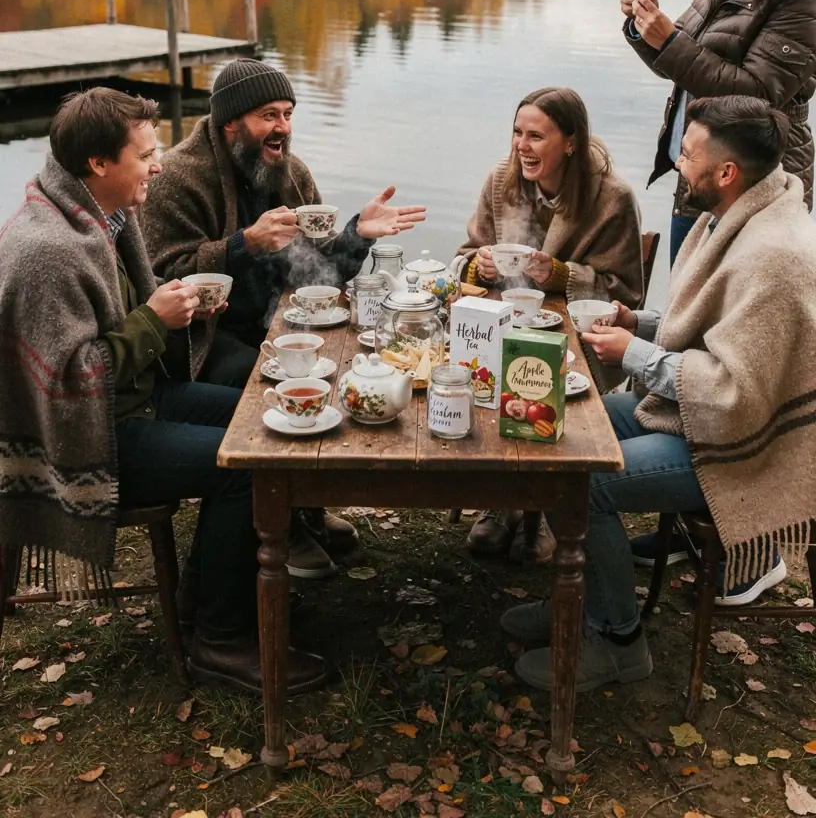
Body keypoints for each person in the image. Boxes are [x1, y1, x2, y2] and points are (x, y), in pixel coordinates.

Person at [0, 88, 327, 696]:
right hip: (86, 438)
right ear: (100, 163)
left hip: (132, 402)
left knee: (266, 414)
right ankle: (221, 641)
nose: (158, 165)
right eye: (146, 154)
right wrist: (155, 319)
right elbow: (71, 383)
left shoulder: (97, 220)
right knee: (247, 466)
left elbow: (126, 328)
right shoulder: (49, 251)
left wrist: (187, 314)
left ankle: (205, 595)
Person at [502, 96, 816, 691]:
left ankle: (617, 640)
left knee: (580, 480)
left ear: (726, 171)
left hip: (746, 447)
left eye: (688, 153)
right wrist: (636, 321)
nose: (677, 164)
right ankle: (581, 598)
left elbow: (734, 395)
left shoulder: (774, 256)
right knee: (558, 423)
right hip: (695, 414)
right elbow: (702, 324)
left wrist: (635, 355)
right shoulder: (731, 213)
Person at [140, 56, 426, 579]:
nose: (283, 129)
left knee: (332, 367)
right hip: (203, 338)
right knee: (275, 381)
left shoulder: (290, 174)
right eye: (268, 116)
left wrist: (358, 235)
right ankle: (283, 522)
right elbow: (158, 281)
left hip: (280, 323)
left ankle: (303, 505)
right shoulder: (177, 179)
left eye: (289, 114)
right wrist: (240, 245)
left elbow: (321, 274)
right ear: (231, 122)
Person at [453, 86, 643, 561]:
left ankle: (541, 511)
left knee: (541, 378)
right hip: (498, 323)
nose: (522, 145)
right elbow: (464, 258)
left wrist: (561, 275)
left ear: (571, 142)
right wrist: (481, 266)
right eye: (517, 132)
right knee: (480, 367)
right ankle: (503, 503)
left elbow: (626, 296)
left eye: (536, 135)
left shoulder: (611, 197)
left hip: (575, 337)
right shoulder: (501, 180)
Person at [621, 0, 816, 267]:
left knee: (740, 323)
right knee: (684, 316)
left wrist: (669, 40)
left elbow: (756, 96)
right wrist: (645, 25)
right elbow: (677, 65)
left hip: (755, 190)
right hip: (699, 179)